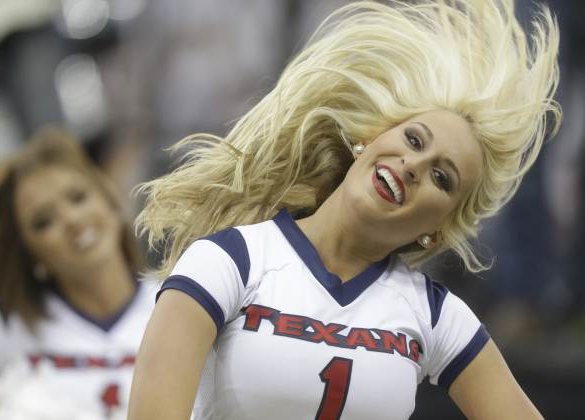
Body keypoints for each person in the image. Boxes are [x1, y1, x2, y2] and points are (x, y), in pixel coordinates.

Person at [128, 0, 560, 419]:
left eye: (441, 178)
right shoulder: (229, 260)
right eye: (413, 140)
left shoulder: (433, 314)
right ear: (367, 139)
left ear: (439, 229)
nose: (414, 167)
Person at [0, 128, 156, 419]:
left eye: (78, 197)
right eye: (43, 222)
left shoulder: (175, 299)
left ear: (110, 201)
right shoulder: (9, 321)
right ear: (32, 256)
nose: (73, 220)